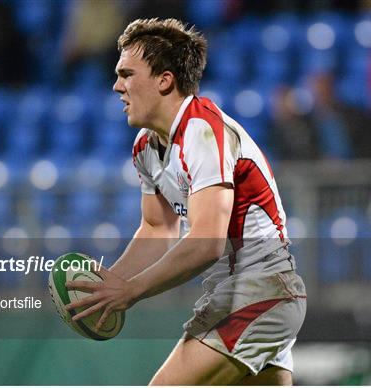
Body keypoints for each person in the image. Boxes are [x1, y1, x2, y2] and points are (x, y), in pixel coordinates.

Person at [65, 18, 306, 385]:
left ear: (164, 80)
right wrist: (109, 284)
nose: (117, 86)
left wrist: (129, 291)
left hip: (259, 291)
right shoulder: (146, 146)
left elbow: (206, 243)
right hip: (246, 294)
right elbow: (158, 229)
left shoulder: (202, 132)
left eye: (127, 74)